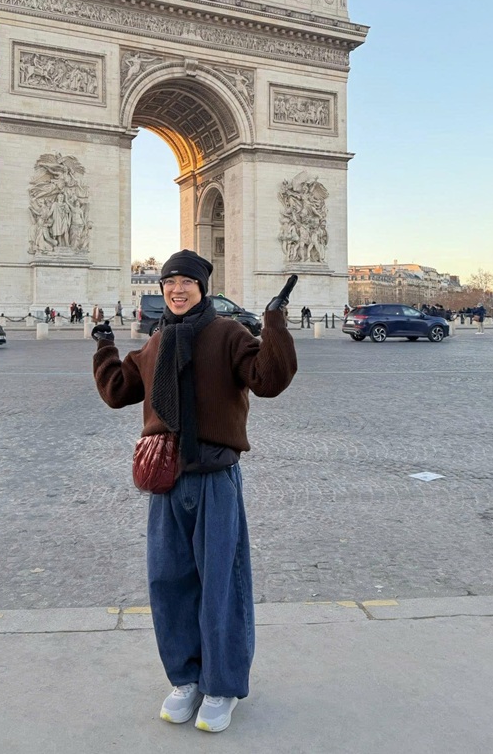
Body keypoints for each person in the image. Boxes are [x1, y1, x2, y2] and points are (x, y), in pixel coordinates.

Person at [92, 249, 297, 733]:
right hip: (167, 484)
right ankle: (185, 678)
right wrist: (103, 345)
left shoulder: (229, 334)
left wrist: (274, 322)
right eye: (169, 283)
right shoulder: (156, 342)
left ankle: (222, 685)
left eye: (186, 282)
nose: (176, 290)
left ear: (202, 287)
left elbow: (269, 379)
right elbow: (118, 391)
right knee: (169, 585)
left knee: (222, 587)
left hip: (213, 479)